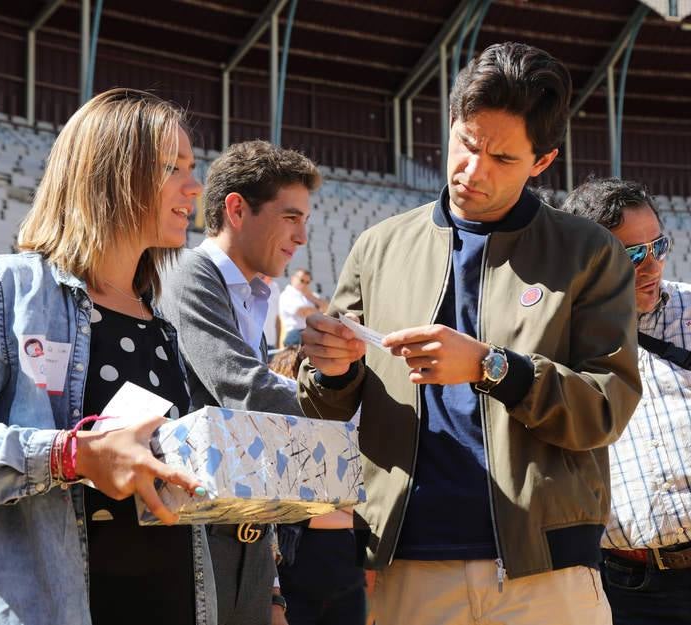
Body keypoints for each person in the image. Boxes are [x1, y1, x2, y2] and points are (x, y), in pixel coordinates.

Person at [296, 42, 642, 625]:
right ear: (451, 124)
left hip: (547, 573)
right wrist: (333, 370)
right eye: (466, 144)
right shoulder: (377, 248)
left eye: (502, 158)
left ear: (542, 162)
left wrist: (490, 367)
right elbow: (326, 407)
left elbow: (604, 410)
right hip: (407, 567)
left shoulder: (590, 253)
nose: (472, 171)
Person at [0, 88, 215, 625]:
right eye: (172, 167)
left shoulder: (161, 324)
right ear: (112, 173)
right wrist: (70, 455)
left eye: (192, 167)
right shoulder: (2, 288)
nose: (193, 186)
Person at [161, 139, 321, 625]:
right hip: (195, 535)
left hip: (244, 536)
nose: (301, 237)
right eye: (290, 217)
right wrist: (342, 403)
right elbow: (241, 387)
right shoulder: (189, 273)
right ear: (237, 209)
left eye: (305, 221)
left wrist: (271, 587)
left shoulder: (257, 292)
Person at [562, 177, 691, 625]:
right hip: (627, 586)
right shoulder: (555, 341)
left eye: (658, 246)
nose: (652, 266)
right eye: (632, 255)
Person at [268, 345, 367, 625]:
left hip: (347, 581)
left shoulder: (337, 434)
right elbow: (293, 511)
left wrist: (348, 513)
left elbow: (361, 503)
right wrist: (352, 514)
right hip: (297, 582)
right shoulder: (282, 440)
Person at [279, 269, 328, 346]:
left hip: (313, 333)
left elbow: (327, 307)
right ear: (293, 279)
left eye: (307, 282)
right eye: (302, 280)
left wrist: (311, 297)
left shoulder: (310, 295)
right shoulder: (287, 295)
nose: (304, 284)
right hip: (296, 334)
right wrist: (320, 311)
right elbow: (303, 312)